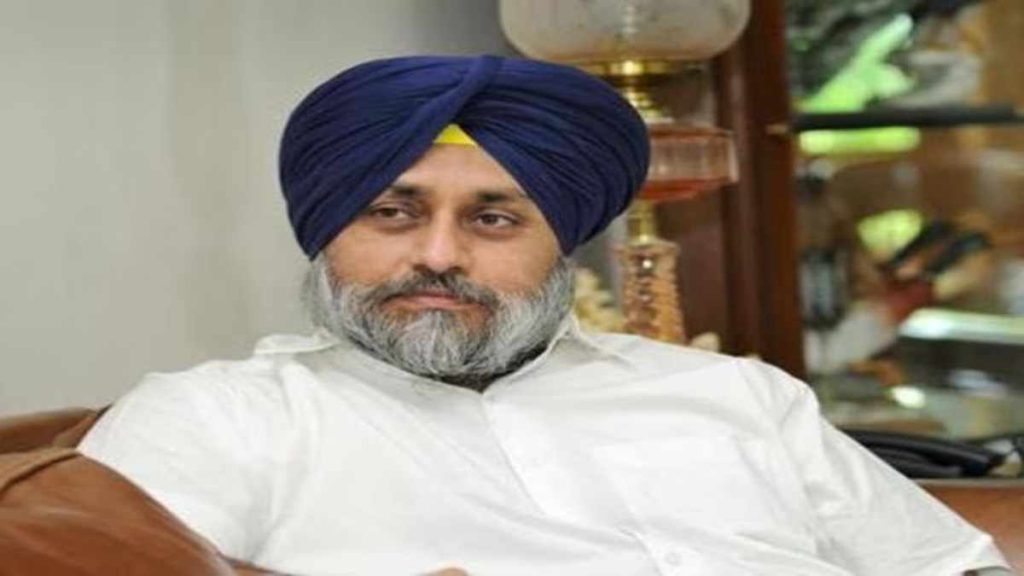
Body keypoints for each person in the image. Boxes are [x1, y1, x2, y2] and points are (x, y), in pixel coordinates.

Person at [78, 55, 1010, 576]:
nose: (438, 254)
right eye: (392, 213)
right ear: (327, 234)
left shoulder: (738, 396)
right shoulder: (220, 420)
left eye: (493, 219)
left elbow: (949, 566)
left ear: (561, 245)